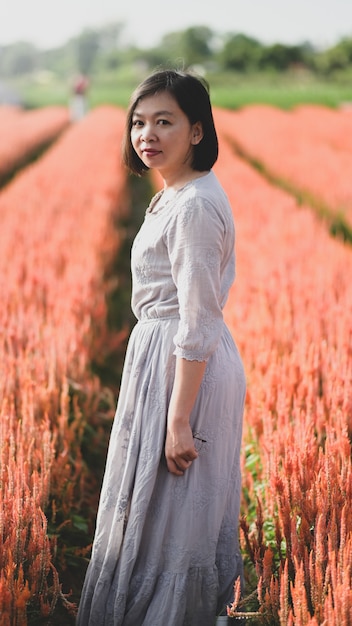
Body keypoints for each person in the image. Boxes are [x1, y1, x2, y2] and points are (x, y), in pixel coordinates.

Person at [76, 69, 246, 626]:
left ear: (197, 131)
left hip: (183, 367)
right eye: (138, 122)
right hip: (168, 358)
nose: (146, 134)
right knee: (161, 515)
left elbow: (198, 318)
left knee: (174, 517)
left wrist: (178, 418)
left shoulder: (194, 205)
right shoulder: (177, 193)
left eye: (164, 121)